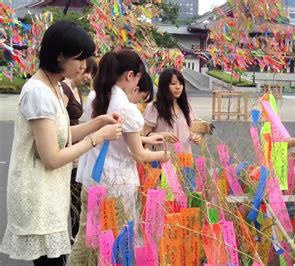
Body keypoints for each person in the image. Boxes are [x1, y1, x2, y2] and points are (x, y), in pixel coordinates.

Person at [0, 20, 122, 266]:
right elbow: (52, 157)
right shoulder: (38, 93)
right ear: (59, 56)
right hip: (37, 195)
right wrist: (96, 138)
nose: (84, 65)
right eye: (79, 58)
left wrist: (98, 123)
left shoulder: (53, 87)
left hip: (48, 193)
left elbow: (62, 133)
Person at [68, 49, 169, 265]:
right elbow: (138, 155)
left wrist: (145, 140)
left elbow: (117, 141)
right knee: (115, 243)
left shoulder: (96, 96)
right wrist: (165, 155)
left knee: (87, 240)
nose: (137, 86)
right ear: (130, 75)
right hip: (117, 186)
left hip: (93, 181)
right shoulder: (127, 109)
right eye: (139, 79)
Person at [61, 56, 98, 240]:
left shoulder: (76, 90)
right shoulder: (65, 88)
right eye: (87, 71)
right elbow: (60, 124)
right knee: (75, 201)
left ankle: (76, 238)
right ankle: (74, 239)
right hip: (69, 150)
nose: (89, 77)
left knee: (78, 200)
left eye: (91, 73)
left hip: (77, 149)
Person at [143, 68, 201, 154]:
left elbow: (186, 130)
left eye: (181, 84)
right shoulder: (154, 107)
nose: (178, 87)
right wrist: (162, 135)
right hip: (162, 157)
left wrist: (193, 136)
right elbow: (146, 135)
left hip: (184, 157)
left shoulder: (186, 106)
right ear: (164, 85)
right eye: (173, 84)